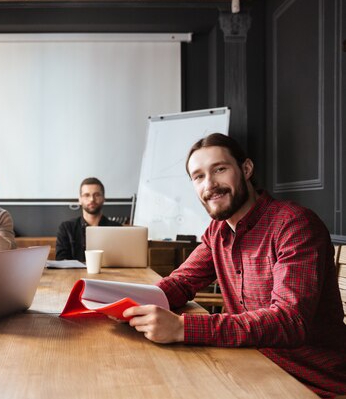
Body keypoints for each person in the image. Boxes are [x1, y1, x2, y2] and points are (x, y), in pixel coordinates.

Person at [121, 133, 346, 398]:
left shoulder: (294, 224)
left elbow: (290, 320)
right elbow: (182, 282)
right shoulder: (217, 231)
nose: (210, 185)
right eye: (198, 176)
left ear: (246, 169)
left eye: (220, 169)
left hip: (314, 383)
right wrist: (127, 304)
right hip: (251, 365)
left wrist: (183, 328)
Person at [55, 177, 122, 261]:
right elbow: (61, 260)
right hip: (75, 274)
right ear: (80, 200)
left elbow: (121, 260)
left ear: (104, 198)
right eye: (87, 195)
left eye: (97, 195)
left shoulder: (117, 229)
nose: (92, 199)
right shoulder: (66, 228)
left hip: (109, 274)